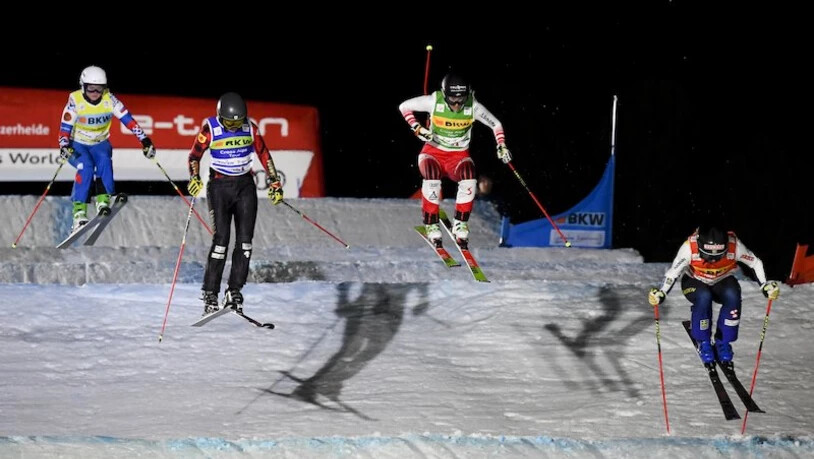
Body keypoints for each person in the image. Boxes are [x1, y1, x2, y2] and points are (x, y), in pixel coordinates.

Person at [187, 92, 284, 315]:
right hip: (220, 186)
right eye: (229, 122)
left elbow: (263, 153)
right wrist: (194, 178)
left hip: (245, 186)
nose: (233, 127)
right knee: (221, 241)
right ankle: (210, 292)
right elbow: (194, 156)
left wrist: (274, 182)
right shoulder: (210, 128)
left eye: (237, 122)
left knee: (245, 243)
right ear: (220, 117)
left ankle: (234, 290)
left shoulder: (249, 127)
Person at [398, 72, 511, 247]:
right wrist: (417, 128)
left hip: (458, 156)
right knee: (431, 174)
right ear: (444, 95)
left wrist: (501, 145)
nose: (457, 104)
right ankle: (431, 223)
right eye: (452, 100)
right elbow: (404, 106)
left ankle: (460, 223)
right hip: (432, 153)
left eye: (461, 99)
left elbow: (496, 124)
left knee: (469, 175)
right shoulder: (433, 101)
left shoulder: (472, 106)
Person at [648, 225, 781, 364]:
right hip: (694, 281)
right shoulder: (689, 248)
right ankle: (703, 341)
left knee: (733, 295)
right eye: (707, 255)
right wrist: (662, 292)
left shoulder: (734, 246)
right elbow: (672, 273)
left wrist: (765, 285)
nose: (712, 260)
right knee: (704, 296)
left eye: (718, 256)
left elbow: (755, 262)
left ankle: (723, 341)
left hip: (721, 280)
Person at [58, 66, 155, 232]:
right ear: (83, 86)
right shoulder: (75, 102)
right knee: (85, 166)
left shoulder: (110, 100)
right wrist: (64, 145)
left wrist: (144, 140)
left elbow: (128, 120)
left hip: (99, 143)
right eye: (91, 88)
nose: (95, 93)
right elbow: (64, 128)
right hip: (77, 143)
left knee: (104, 161)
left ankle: (103, 200)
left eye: (99, 88)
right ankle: (79, 213)